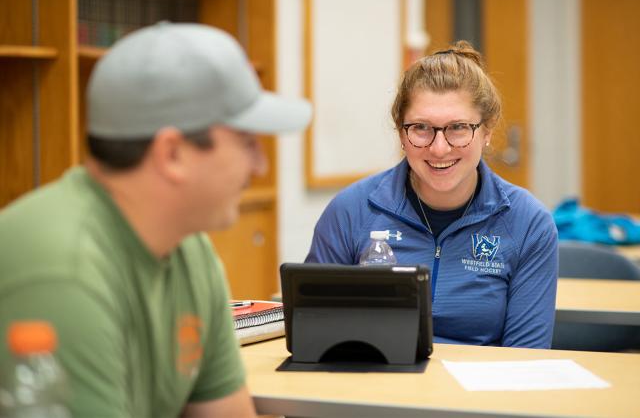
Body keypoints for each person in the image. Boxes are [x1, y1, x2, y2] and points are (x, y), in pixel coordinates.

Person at [0, 23, 311, 417]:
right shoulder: (61, 273)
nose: (260, 165)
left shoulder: (189, 249)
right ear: (172, 154)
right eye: (247, 143)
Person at [306, 41, 558, 348]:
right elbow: (315, 335)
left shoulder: (528, 222)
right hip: (376, 387)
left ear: (487, 132)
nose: (439, 148)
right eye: (422, 128)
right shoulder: (350, 211)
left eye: (459, 128)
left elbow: (525, 361)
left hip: (477, 394)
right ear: (401, 133)